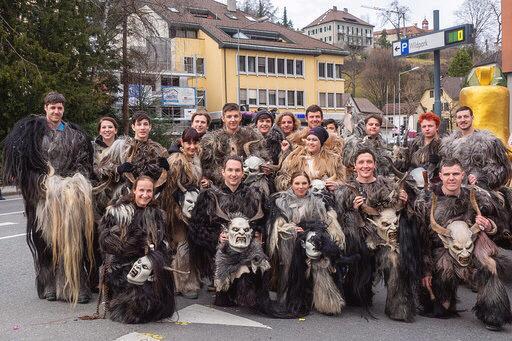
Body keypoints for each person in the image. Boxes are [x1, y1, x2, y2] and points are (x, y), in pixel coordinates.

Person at [3, 92, 95, 304]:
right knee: (43, 240)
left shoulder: (75, 135)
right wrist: (43, 183)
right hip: (41, 195)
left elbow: (84, 163)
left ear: (63, 109)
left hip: (69, 195)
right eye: (52, 107)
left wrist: (73, 183)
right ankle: (48, 283)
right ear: (45, 108)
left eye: (59, 108)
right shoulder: (31, 132)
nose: (56, 111)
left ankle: (74, 284)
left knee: (73, 239)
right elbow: (22, 164)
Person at [415, 158, 511, 331]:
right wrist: (426, 270)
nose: (451, 178)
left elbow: (502, 224)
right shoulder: (426, 200)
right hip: (441, 253)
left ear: (463, 175)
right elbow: (421, 239)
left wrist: (490, 225)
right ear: (440, 176)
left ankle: (493, 313)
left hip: (474, 248)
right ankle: (444, 297)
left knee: (489, 264)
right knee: (441, 308)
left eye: (455, 174)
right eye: (447, 174)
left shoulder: (478, 196)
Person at [334, 149, 417, 321]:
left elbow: (401, 213)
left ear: (375, 165)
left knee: (395, 259)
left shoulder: (388, 185)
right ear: (354, 166)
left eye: (369, 162)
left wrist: (404, 201)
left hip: (385, 239)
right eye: (361, 162)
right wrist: (353, 210)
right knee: (357, 299)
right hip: (357, 241)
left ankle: (398, 306)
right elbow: (339, 218)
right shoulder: (345, 189)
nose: (365, 166)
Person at [98, 176, 175, 323]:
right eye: (141, 190)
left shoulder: (158, 214)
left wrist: (154, 257)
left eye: (149, 191)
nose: (145, 195)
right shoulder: (117, 212)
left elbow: (164, 243)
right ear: (134, 190)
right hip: (121, 266)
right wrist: (137, 244)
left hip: (149, 263)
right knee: (133, 313)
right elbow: (106, 242)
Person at [267, 172, 345, 305]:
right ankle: (290, 293)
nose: (300, 187)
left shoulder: (318, 201)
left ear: (309, 185)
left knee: (319, 251)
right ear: (291, 184)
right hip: (291, 238)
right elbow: (277, 224)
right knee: (289, 248)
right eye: (297, 183)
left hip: (312, 236)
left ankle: (325, 299)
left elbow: (327, 220)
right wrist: (288, 228)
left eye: (304, 183)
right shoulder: (281, 201)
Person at [188, 156, 265, 282]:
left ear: (242, 173)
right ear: (223, 172)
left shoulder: (255, 195)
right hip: (219, 254)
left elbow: (264, 222)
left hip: (248, 252)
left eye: (237, 170)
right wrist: (216, 237)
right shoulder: (209, 196)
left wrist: (258, 233)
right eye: (230, 170)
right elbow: (196, 227)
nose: (233, 174)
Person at [161, 128, 206, 299]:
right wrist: (179, 212)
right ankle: (184, 284)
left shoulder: (196, 159)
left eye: (195, 142)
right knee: (182, 245)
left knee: (190, 245)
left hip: (193, 210)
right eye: (189, 142)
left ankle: (188, 281)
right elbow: (169, 191)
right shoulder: (176, 161)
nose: (192, 146)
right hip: (178, 212)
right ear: (182, 142)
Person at [440, 106, 511, 190]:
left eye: (466, 116)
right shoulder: (448, 145)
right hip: (455, 192)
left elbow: (499, 169)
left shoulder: (487, 142)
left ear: (472, 118)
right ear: (456, 120)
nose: (462, 120)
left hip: (481, 191)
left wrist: (479, 178)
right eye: (459, 117)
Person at [200, 103, 268, 186]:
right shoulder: (212, 140)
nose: (233, 120)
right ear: (223, 118)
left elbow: (264, 158)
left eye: (236, 116)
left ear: (240, 117)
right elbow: (206, 166)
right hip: (221, 184)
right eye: (229, 117)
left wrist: (265, 166)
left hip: (249, 184)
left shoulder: (252, 136)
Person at [275, 126, 345, 191]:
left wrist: (337, 185)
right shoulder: (294, 158)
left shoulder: (333, 159)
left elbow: (342, 180)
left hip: (324, 197)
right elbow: (283, 177)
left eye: (314, 140)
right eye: (308, 139)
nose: (310, 143)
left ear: (321, 143)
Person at [395, 112, 442, 185]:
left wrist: (439, 162)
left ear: (437, 127)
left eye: (430, 126)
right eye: (424, 126)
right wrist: (400, 161)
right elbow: (406, 166)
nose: (427, 129)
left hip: (435, 184)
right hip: (413, 183)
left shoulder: (443, 145)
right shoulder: (413, 145)